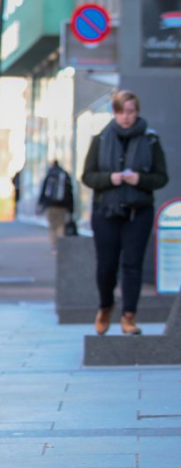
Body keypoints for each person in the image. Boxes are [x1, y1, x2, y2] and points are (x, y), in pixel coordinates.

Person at [82, 90, 168, 336]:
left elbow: (162, 177)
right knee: (107, 266)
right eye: (121, 112)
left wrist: (139, 179)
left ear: (137, 112)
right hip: (106, 211)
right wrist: (111, 178)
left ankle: (129, 316)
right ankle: (106, 306)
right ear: (114, 112)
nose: (126, 117)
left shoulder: (151, 140)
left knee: (132, 265)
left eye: (130, 112)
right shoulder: (100, 139)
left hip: (138, 211)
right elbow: (87, 176)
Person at [38, 161, 74, 253]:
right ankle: (60, 246)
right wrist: (71, 208)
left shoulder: (50, 174)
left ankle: (54, 246)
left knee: (52, 226)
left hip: (50, 205)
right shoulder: (65, 175)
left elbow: (43, 191)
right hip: (63, 206)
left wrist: (41, 204)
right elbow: (70, 193)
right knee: (61, 225)